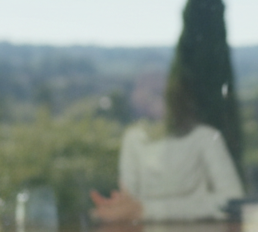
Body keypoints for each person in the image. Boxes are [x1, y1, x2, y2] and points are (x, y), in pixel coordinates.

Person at [91, 76, 244, 223]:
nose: (152, 102)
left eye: (159, 93)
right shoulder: (133, 137)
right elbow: (130, 200)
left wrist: (147, 211)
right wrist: (116, 208)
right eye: (147, 94)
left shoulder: (205, 137)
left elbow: (231, 200)